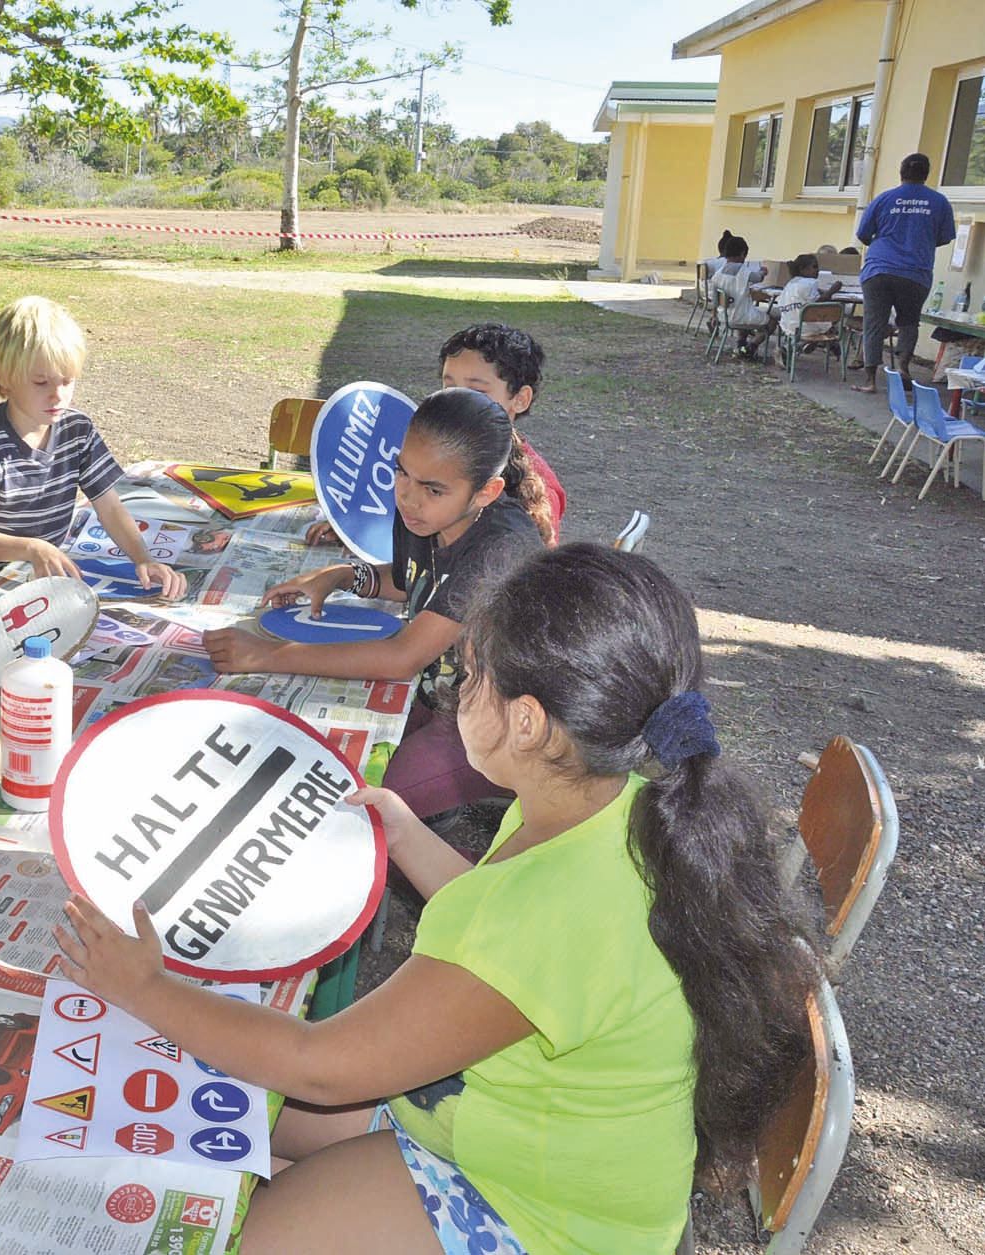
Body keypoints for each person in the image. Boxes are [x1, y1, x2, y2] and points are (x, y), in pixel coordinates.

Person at [58, 544, 819, 1255]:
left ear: (527, 721)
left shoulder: (548, 914)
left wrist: (146, 987)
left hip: (549, 1220)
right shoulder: (609, 804)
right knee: (232, 1118)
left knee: (241, 1215)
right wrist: (401, 829)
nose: (459, 691)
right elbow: (495, 956)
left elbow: (322, 1064)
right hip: (512, 1129)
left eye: (469, 675)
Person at [207, 388, 545, 819]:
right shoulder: (428, 512)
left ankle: (468, 877)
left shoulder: (500, 549)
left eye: (432, 489)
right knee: (311, 752)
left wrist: (266, 654)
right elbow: (415, 580)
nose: (407, 496)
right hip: (442, 694)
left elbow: (401, 658)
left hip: (501, 722)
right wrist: (343, 576)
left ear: (486, 492)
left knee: (372, 813)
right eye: (401, 473)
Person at [0, 296, 188, 601]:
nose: (57, 396)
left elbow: (109, 505)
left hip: (34, 574)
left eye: (67, 381)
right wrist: (32, 547)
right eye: (41, 383)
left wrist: (143, 558)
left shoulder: (76, 430)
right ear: (3, 376)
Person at [308, 324, 562, 545]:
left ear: (520, 399)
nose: (457, 400)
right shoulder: (431, 453)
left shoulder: (537, 488)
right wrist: (360, 532)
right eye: (449, 387)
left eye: (476, 391)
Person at [853, 152, 957, 393]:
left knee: (874, 323)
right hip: (915, 272)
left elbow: (863, 234)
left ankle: (870, 380)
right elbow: (944, 237)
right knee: (909, 322)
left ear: (901, 173)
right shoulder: (939, 202)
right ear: (926, 174)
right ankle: (903, 367)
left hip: (878, 269)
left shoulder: (884, 198)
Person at [709, 234, 772, 357]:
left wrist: (714, 316)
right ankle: (750, 347)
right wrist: (763, 271)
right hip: (741, 316)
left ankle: (741, 344)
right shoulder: (742, 270)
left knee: (744, 311)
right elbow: (757, 277)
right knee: (771, 321)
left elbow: (715, 300)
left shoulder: (718, 273)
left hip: (724, 316)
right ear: (743, 253)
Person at [775, 253, 844, 349]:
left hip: (789, 327)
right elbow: (817, 304)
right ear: (802, 269)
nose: (818, 270)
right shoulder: (811, 282)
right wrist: (832, 290)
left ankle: (802, 345)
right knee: (834, 315)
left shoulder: (790, 284)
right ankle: (813, 344)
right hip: (807, 327)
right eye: (814, 267)